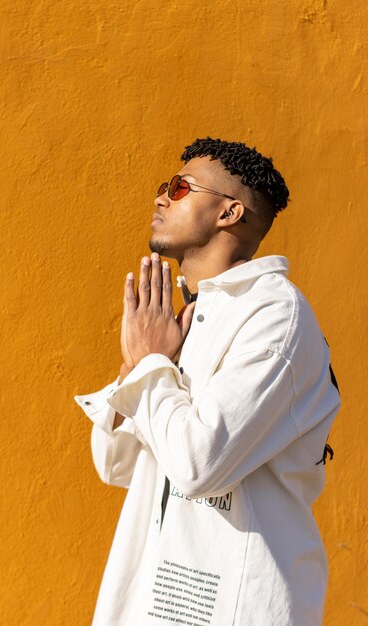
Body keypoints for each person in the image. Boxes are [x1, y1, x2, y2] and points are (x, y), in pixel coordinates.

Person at [74, 137, 341, 626]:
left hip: (234, 606)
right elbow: (117, 465)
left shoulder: (275, 315)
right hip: (155, 600)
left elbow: (200, 465)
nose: (160, 197)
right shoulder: (189, 319)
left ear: (229, 212)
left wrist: (152, 365)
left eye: (179, 188)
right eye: (164, 186)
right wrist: (135, 368)